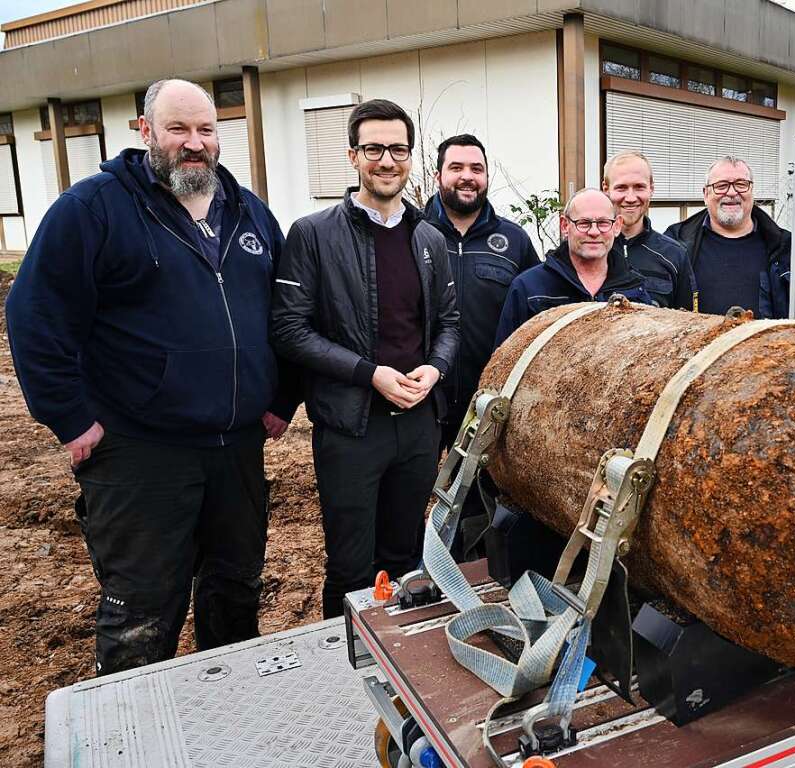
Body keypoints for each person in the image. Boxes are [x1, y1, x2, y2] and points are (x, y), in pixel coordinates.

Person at [4, 78, 298, 676]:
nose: (195, 144)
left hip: (236, 451)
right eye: (178, 129)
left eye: (207, 130)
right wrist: (69, 417)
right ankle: (132, 729)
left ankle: (234, 709)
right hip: (140, 453)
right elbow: (35, 316)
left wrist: (280, 397)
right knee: (143, 610)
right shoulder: (92, 210)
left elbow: (283, 314)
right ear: (145, 133)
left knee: (234, 592)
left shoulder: (249, 213)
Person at [271, 99, 459, 619]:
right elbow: (289, 329)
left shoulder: (428, 238)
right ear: (353, 155)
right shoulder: (312, 234)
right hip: (352, 428)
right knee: (351, 567)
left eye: (398, 149)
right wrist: (369, 373)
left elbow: (448, 324)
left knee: (403, 558)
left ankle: (399, 665)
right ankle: (345, 665)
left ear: (410, 158)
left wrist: (436, 368)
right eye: (373, 148)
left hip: (418, 425)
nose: (386, 160)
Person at [422, 134, 539, 561]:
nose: (467, 178)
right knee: (414, 500)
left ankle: (469, 579)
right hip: (422, 398)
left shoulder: (514, 241)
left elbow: (533, 313)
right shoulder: (413, 233)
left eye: (476, 169)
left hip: (488, 401)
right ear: (439, 176)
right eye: (457, 168)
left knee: (483, 502)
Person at [494, 188, 654, 347]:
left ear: (617, 226)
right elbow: (504, 362)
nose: (594, 232)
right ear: (565, 226)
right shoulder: (529, 289)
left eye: (603, 223)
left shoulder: (634, 289)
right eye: (583, 223)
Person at [664, 155, 791, 319]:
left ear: (752, 190)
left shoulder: (784, 246)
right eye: (721, 185)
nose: (732, 192)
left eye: (741, 184)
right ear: (705, 194)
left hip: (768, 344)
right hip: (699, 344)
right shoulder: (675, 243)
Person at [602, 150, 695, 310]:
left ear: (651, 188)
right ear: (606, 188)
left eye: (639, 187)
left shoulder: (674, 255)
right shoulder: (589, 250)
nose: (630, 198)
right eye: (621, 188)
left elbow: (690, 323)